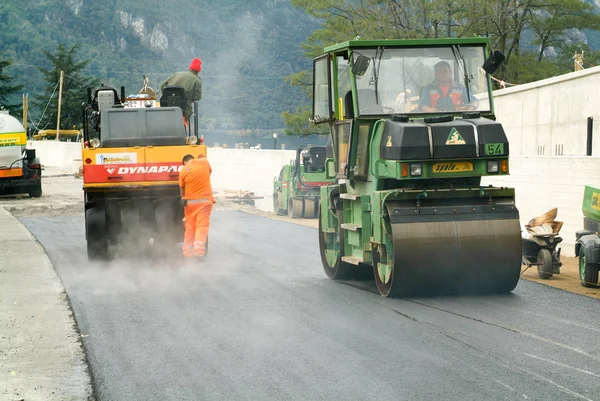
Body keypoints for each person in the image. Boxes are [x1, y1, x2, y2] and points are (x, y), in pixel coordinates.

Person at [178, 153, 215, 259]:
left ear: (184, 163)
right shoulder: (204, 162)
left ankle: (187, 253)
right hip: (204, 202)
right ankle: (198, 252)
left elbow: (182, 190)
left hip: (190, 203)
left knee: (190, 227)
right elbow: (209, 173)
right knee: (201, 226)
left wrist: (183, 199)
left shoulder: (183, 171)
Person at [159, 58, 203, 125]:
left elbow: (162, 85)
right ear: (198, 71)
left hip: (166, 108)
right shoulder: (197, 81)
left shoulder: (177, 74)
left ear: (190, 68)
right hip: (184, 111)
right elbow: (197, 97)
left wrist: (165, 97)